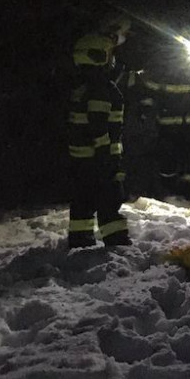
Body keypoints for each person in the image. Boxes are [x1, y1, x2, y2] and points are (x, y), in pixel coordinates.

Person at [66, 33, 131, 248]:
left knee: (82, 202)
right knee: (109, 200)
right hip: (98, 159)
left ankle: (80, 240)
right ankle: (117, 242)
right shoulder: (101, 89)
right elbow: (97, 124)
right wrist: (105, 155)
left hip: (80, 159)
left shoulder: (81, 87)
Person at [139, 42, 190, 201]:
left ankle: (186, 195)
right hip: (176, 124)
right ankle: (172, 194)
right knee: (170, 162)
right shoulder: (164, 71)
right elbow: (149, 93)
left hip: (188, 124)